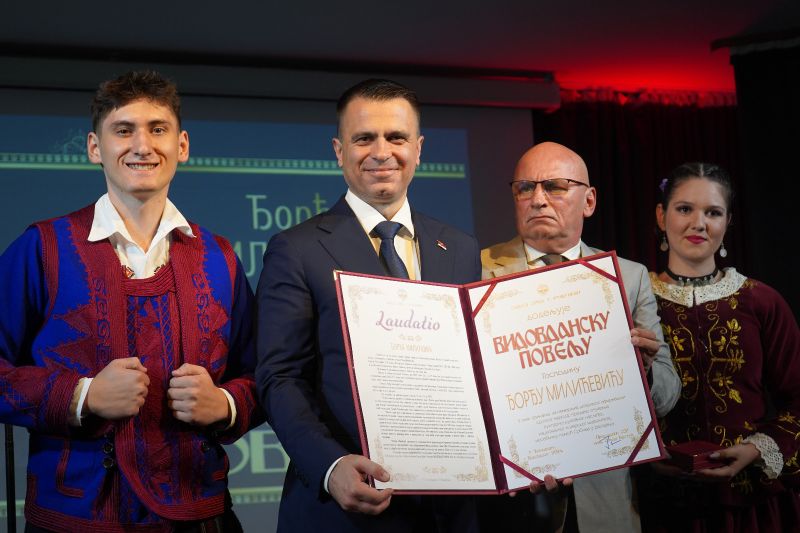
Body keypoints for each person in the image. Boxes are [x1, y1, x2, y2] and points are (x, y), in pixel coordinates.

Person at [0, 70, 262, 532]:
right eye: (123, 130)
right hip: (77, 519)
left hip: (201, 516)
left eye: (158, 129)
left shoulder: (220, 257)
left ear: (182, 144)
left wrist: (225, 403)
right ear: (94, 147)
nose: (142, 145)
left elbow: (265, 376)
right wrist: (82, 396)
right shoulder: (42, 248)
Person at [256, 79, 481, 532]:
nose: (381, 152)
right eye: (364, 138)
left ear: (418, 149)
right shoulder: (296, 249)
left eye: (396, 137)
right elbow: (280, 377)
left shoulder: (460, 248)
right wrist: (330, 465)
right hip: (344, 510)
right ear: (339, 151)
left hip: (450, 510)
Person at [481, 141, 681, 532]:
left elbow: (668, 395)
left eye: (555, 186)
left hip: (606, 502)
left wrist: (644, 371)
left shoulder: (628, 277)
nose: (538, 199)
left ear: (589, 201)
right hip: (513, 503)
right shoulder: (477, 270)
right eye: (525, 188)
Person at [638, 162, 800, 532]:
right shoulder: (634, 302)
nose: (699, 223)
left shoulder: (761, 301)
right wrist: (646, 456)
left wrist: (756, 449)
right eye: (684, 209)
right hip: (658, 506)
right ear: (661, 216)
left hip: (752, 505)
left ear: (728, 222)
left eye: (713, 212)